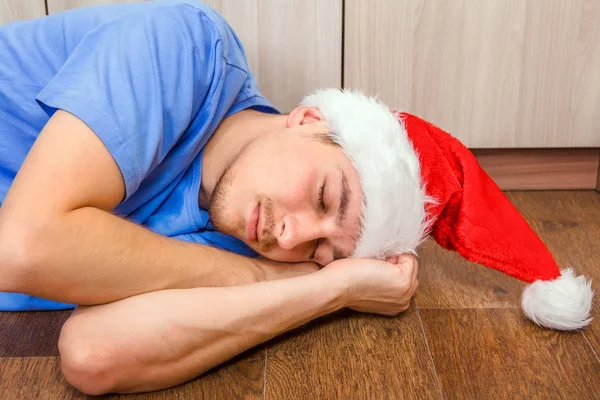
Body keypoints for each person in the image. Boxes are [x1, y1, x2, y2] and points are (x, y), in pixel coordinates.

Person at [0, 0, 420, 395]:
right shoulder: (182, 45)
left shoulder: (242, 228)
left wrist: (332, 290)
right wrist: (263, 279)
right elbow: (21, 246)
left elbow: (93, 352)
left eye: (321, 252)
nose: (292, 238)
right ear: (309, 121)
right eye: (323, 197)